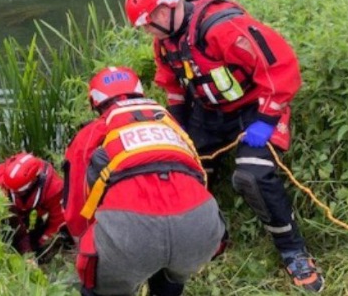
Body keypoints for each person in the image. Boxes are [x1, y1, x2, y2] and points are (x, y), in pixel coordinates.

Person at [124, 0, 324, 292]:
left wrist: (266, 119)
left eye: (148, 23)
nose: (147, 31)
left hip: (255, 108)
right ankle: (213, 236)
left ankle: (293, 250)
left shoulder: (221, 27)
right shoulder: (165, 44)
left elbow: (281, 69)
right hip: (210, 112)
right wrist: (180, 132)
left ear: (165, 10)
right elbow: (173, 86)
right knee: (184, 171)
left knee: (252, 176)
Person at [63, 66, 226, 296]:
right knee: (174, 273)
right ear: (140, 93)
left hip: (130, 233)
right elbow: (197, 173)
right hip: (200, 224)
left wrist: (87, 246)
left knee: (101, 286)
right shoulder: (170, 124)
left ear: (96, 102)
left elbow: (76, 204)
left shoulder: (93, 132)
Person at [0, 152, 68, 261]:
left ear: (34, 182)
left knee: (47, 245)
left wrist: (40, 242)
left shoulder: (54, 189)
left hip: (34, 211)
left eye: (18, 192)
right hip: (9, 214)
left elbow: (58, 219)